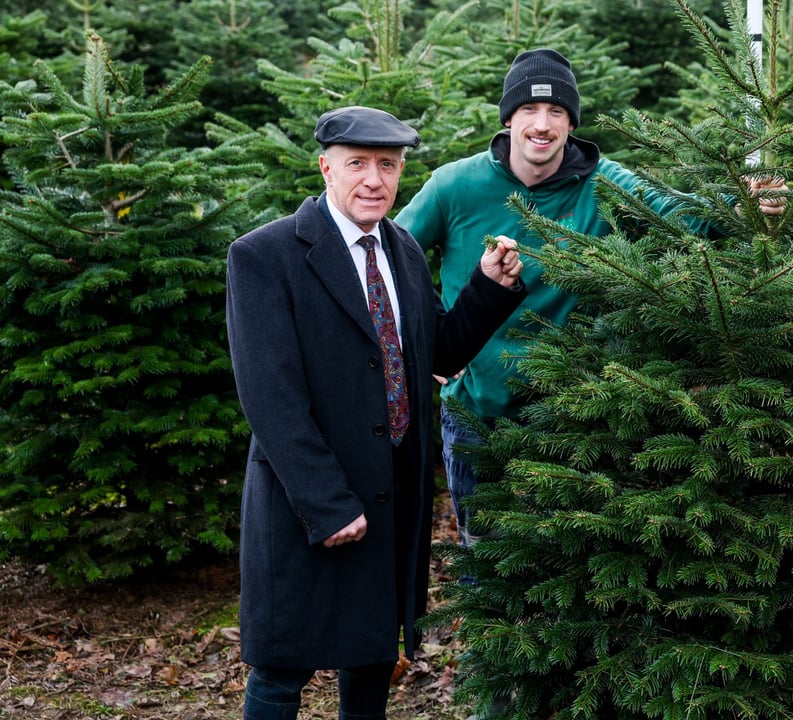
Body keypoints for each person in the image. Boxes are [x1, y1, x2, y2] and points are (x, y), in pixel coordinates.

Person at [226, 105, 527, 720]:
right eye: (357, 164)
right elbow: (270, 397)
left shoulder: (403, 250)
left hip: (388, 495)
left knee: (369, 660)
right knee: (283, 668)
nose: (373, 179)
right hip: (307, 499)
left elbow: (433, 352)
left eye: (387, 166)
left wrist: (487, 288)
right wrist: (326, 502)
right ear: (326, 169)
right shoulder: (267, 255)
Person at [395, 48, 710, 546]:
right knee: (486, 562)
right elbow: (388, 259)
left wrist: (761, 199)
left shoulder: (607, 183)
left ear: (570, 122)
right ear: (509, 118)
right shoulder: (455, 185)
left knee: (573, 566)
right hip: (479, 411)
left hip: (577, 417)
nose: (542, 125)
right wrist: (429, 343)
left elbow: (690, 217)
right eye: (529, 111)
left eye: (556, 112)